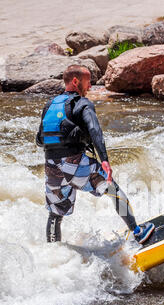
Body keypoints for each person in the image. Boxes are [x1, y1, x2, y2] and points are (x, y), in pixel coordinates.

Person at [36, 64, 155, 244]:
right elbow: (95, 129)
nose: (90, 86)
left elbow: (39, 140)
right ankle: (138, 232)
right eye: (88, 81)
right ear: (76, 81)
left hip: (51, 167)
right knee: (112, 189)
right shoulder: (83, 103)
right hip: (75, 162)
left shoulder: (49, 105)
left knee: (55, 213)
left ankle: (52, 254)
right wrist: (104, 160)